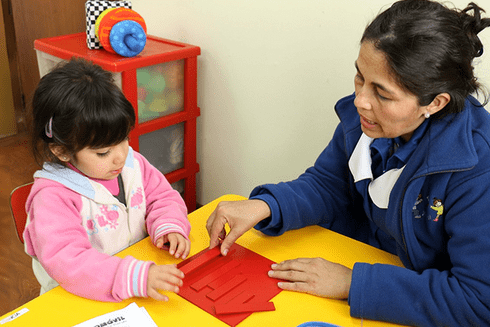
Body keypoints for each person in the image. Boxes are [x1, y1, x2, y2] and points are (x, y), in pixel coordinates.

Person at [206, 1, 490, 326]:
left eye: (382, 94)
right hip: (357, 262)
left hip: (409, 299)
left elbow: (478, 301)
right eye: (359, 77)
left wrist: (350, 283)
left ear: (435, 102)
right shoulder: (367, 121)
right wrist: (265, 205)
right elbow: (328, 185)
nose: (360, 101)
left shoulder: (478, 168)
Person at [24, 58, 191, 302]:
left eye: (124, 139)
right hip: (77, 299)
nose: (120, 157)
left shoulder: (132, 164)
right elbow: (70, 262)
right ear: (62, 151)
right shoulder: (52, 197)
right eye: (103, 152)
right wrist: (135, 277)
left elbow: (162, 197)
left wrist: (168, 225)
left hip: (137, 285)